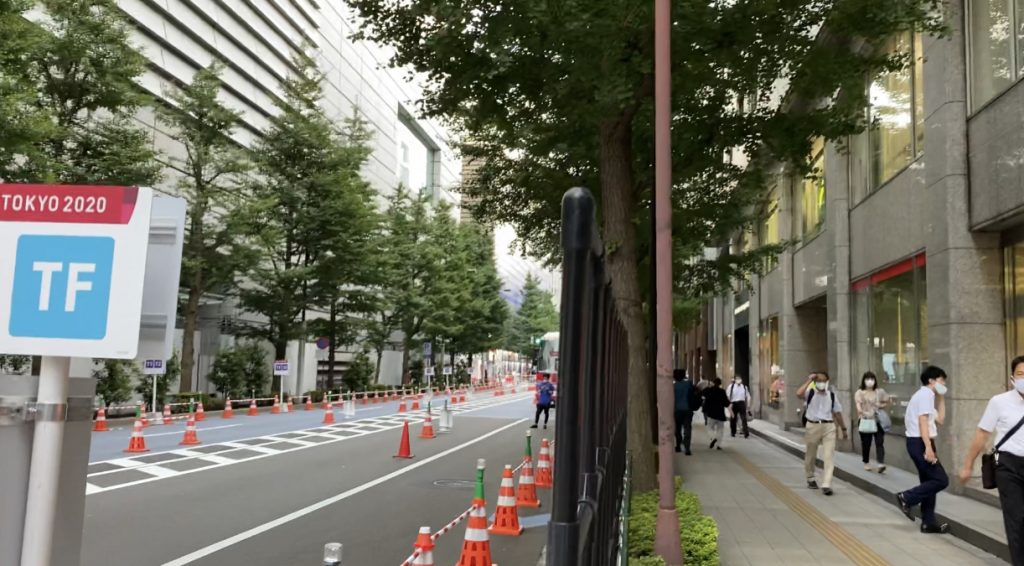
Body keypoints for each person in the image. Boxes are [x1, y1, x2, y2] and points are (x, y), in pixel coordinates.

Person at [958, 355, 1024, 564]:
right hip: (1008, 465)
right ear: (1012, 377)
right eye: (1021, 374)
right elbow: (982, 434)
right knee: (1017, 520)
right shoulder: (999, 402)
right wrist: (968, 465)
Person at [896, 365, 950, 534]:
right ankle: (906, 497)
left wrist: (941, 398)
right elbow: (923, 422)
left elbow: (940, 420)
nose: (944, 384)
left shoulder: (927, 396)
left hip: (919, 442)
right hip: (920, 442)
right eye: (941, 381)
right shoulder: (926, 395)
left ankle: (928, 522)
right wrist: (928, 448)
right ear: (931, 380)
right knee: (941, 480)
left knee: (929, 482)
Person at [796, 371, 848, 496]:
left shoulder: (832, 396)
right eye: (818, 381)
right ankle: (810, 477)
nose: (821, 383)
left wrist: (843, 428)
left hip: (829, 426)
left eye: (824, 381)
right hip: (812, 425)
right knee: (811, 453)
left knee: (829, 455)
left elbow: (837, 413)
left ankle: (827, 484)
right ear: (815, 382)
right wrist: (809, 380)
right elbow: (798, 393)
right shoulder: (810, 393)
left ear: (827, 382)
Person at [855, 371, 889, 473]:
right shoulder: (860, 392)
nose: (870, 381)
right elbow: (858, 404)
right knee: (866, 443)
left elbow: (887, 400)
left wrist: (881, 406)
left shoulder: (879, 391)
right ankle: (866, 462)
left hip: (877, 420)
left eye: (872, 379)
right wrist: (861, 411)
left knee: (879, 442)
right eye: (868, 379)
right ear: (864, 381)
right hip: (865, 420)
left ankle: (880, 463)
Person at [674, 369, 699, 455]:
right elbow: (696, 392)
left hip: (676, 410)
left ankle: (678, 445)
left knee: (677, 429)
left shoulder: (673, 386)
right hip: (688, 410)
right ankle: (687, 448)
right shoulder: (688, 384)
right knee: (687, 428)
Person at [701, 377, 730, 450]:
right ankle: (718, 445)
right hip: (720, 413)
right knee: (720, 430)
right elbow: (726, 403)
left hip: (711, 413)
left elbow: (702, 394)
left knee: (710, 428)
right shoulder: (722, 392)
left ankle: (714, 438)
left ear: (713, 383)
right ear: (720, 384)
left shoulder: (709, 390)